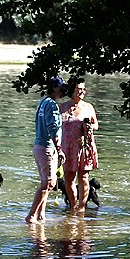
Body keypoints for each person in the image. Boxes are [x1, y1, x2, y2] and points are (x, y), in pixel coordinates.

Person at [24, 76, 66, 224]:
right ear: (55, 88)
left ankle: (41, 215)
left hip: (38, 147)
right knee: (48, 182)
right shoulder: (53, 105)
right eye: (61, 88)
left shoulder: (43, 102)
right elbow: (53, 128)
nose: (63, 91)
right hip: (47, 147)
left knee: (46, 182)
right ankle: (31, 216)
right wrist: (59, 149)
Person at [58, 76, 99, 213]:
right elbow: (55, 128)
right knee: (69, 177)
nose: (81, 92)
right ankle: (73, 205)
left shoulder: (88, 107)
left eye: (83, 89)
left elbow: (96, 125)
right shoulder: (63, 107)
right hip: (68, 147)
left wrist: (89, 127)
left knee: (83, 176)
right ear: (71, 90)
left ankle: (81, 208)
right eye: (78, 89)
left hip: (84, 146)